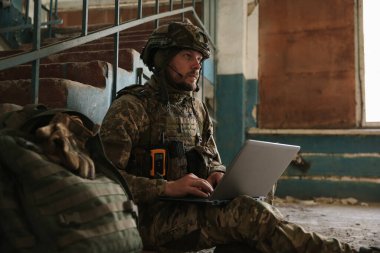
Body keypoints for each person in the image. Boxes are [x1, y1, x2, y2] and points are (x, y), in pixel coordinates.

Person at [100, 21, 379, 253]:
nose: (197, 65)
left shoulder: (196, 108)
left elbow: (213, 160)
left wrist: (217, 175)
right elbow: (103, 182)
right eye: (188, 56)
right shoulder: (131, 107)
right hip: (147, 220)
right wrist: (166, 188)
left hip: (186, 207)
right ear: (162, 58)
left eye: (199, 59)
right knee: (248, 214)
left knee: (257, 193)